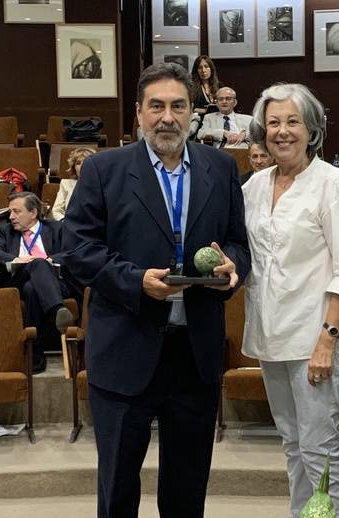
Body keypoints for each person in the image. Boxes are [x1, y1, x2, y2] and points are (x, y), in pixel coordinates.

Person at [61, 62, 250, 518]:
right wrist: (134, 281)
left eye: (178, 106)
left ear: (193, 113)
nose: (168, 117)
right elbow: (76, 247)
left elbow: (238, 242)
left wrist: (232, 267)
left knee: (187, 492)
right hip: (125, 349)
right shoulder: (104, 170)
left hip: (195, 353)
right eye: (157, 106)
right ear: (139, 113)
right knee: (118, 487)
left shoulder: (221, 168)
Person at [241, 83, 339, 518]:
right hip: (272, 335)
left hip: (317, 337)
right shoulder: (254, 186)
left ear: (312, 128)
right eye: (274, 122)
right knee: (293, 444)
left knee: (320, 449)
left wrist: (328, 339)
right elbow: (248, 253)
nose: (282, 131)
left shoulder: (335, 185)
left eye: (293, 121)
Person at [0, 192, 80, 374]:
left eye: (16, 211)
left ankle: (35, 354)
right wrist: (17, 259)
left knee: (32, 288)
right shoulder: (7, 232)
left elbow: (72, 253)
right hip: (18, 281)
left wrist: (49, 260)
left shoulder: (55, 228)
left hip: (55, 282)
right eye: (10, 212)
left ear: (33, 213)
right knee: (34, 268)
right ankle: (57, 309)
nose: (11, 216)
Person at [51, 147, 95, 221]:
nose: (81, 166)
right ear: (73, 167)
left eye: (85, 162)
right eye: (78, 163)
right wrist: (65, 223)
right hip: (70, 226)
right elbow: (56, 211)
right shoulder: (65, 184)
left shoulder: (101, 184)